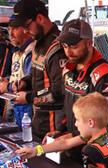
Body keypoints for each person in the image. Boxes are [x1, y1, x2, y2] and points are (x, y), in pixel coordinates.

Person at [45, 19, 108, 161]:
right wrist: (61, 131)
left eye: (73, 46)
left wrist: (72, 138)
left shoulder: (105, 76)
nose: (68, 52)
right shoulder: (68, 69)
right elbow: (66, 105)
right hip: (71, 148)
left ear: (89, 43)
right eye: (65, 46)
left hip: (97, 153)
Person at [12, 0, 67, 139]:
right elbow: (40, 76)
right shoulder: (38, 43)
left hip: (55, 127)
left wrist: (29, 97)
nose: (24, 31)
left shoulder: (58, 47)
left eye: (26, 25)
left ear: (40, 18)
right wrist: (24, 82)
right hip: (39, 122)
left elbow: (59, 92)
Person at [0, 14, 34, 126]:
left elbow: (31, 81)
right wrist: (6, 81)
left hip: (27, 107)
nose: (10, 33)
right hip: (15, 105)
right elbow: (16, 75)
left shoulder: (31, 51)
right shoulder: (16, 51)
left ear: (26, 29)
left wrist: (7, 86)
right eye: (9, 29)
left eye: (15, 28)